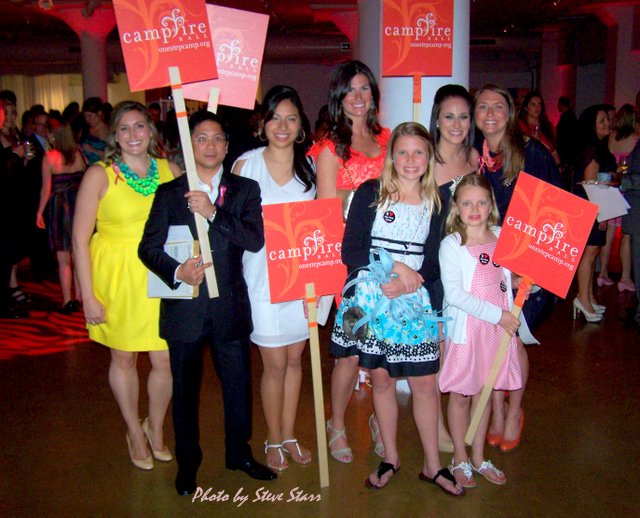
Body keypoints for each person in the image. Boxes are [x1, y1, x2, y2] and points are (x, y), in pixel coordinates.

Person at [138, 110, 276, 496]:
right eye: (201, 138)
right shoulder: (170, 193)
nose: (210, 145)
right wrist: (178, 271)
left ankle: (239, 454)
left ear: (227, 146)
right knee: (185, 391)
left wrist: (213, 212)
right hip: (185, 310)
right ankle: (188, 463)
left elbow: (253, 239)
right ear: (189, 144)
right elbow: (147, 248)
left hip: (229, 306)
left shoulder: (245, 190)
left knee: (238, 387)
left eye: (217, 138)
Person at [330, 122, 464, 496]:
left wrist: (412, 277)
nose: (410, 160)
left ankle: (433, 465)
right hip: (370, 298)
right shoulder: (370, 193)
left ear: (429, 157)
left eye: (418, 152)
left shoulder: (438, 202)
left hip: (414, 300)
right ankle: (390, 457)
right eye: (402, 152)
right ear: (391, 156)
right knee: (382, 378)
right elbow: (351, 250)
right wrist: (394, 269)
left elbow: (436, 260)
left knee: (425, 382)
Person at [73, 101, 180, 473]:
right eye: (124, 128)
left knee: (165, 358)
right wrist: (87, 295)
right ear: (114, 135)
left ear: (151, 130)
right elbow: (79, 239)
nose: (133, 135)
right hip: (117, 278)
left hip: (159, 274)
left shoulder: (169, 170)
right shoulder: (99, 174)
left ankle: (156, 427)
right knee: (124, 358)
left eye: (139, 126)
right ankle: (134, 430)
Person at [308, 59, 391, 463]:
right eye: (350, 91)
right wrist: (365, 197)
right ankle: (336, 423)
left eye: (364, 89)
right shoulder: (330, 147)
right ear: (338, 98)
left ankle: (379, 418)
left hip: (389, 257)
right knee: (352, 352)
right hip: (352, 263)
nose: (358, 97)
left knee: (384, 351)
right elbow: (326, 210)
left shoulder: (389, 140)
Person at [233, 86, 315, 471]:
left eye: (291, 118)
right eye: (275, 118)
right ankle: (273, 437)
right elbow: (231, 223)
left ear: (301, 126)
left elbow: (323, 224)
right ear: (262, 123)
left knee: (295, 360)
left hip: (302, 277)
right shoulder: (245, 165)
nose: (282, 126)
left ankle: (290, 434)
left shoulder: (310, 168)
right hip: (261, 277)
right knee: (274, 362)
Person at [474, 84, 559, 452]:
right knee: (491, 337)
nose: (490, 113)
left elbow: (555, 208)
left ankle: (514, 411)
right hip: (485, 261)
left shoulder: (531, 152)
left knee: (512, 337)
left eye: (498, 106)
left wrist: (532, 265)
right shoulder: (473, 156)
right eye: (483, 107)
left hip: (525, 265)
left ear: (510, 112)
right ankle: (495, 409)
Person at [439, 174, 530, 488]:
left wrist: (520, 284)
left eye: (481, 202)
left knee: (485, 392)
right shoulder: (452, 245)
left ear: (491, 204)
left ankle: (478, 457)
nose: (475, 209)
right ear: (456, 207)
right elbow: (455, 295)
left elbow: (504, 279)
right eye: (467, 203)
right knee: (462, 395)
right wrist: (498, 315)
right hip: (469, 331)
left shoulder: (502, 236)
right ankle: (460, 457)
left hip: (496, 331)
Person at [429, 83, 479, 454]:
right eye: (449, 116)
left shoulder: (474, 157)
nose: (457, 124)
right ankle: (438, 425)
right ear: (437, 119)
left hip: (467, 265)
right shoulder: (425, 159)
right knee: (435, 348)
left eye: (463, 116)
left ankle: (461, 421)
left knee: (459, 348)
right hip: (432, 264)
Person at [572, 104, 617, 322]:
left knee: (593, 253)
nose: (607, 123)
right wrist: (601, 213)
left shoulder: (599, 147)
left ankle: (588, 297)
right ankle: (583, 299)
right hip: (590, 207)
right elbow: (591, 184)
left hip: (594, 206)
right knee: (589, 255)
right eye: (602, 121)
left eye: (607, 119)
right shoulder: (592, 149)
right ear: (592, 125)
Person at [36, 124, 86, 313]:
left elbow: (46, 189)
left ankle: (67, 300)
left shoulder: (49, 157)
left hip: (60, 209)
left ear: (55, 136)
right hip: (78, 207)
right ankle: (80, 297)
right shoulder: (78, 156)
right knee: (78, 254)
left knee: (63, 259)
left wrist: (39, 212)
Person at [600, 103, 639, 292]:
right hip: (626, 189)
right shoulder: (635, 139)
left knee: (608, 232)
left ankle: (602, 273)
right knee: (626, 235)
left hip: (610, 187)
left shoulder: (611, 138)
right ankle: (625, 277)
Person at [517, 90, 560, 164]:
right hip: (527, 165)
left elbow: (554, 151)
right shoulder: (520, 126)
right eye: (533, 104)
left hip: (547, 165)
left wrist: (558, 166)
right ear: (526, 108)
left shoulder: (547, 126)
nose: (537, 107)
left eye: (539, 104)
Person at [79, 97, 109, 165]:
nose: (87, 119)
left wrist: (94, 151)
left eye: (90, 116)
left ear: (99, 113)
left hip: (100, 167)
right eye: (85, 116)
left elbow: (113, 156)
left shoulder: (108, 131)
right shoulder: (84, 129)